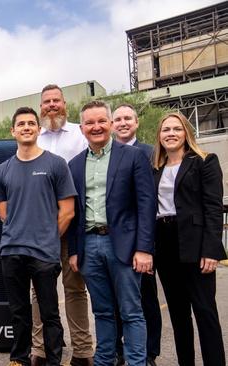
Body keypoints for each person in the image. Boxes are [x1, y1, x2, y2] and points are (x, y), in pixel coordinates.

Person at [67, 100, 156, 366]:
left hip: (125, 246)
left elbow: (146, 204)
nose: (96, 127)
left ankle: (137, 362)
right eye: (89, 123)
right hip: (89, 246)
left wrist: (144, 248)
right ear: (82, 128)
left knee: (131, 312)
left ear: (110, 124)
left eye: (101, 121)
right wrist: (74, 250)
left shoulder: (133, 156)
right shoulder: (74, 165)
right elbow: (75, 212)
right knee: (102, 312)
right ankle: (104, 361)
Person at [0, 107, 76, 366]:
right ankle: (18, 359)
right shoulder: (2, 170)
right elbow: (4, 213)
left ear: (38, 129)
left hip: (44, 254)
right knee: (19, 313)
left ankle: (53, 361)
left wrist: (48, 237)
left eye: (31, 123)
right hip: (12, 252)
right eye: (21, 124)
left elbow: (68, 211)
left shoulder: (55, 164)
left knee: (50, 314)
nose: (26, 127)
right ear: (13, 131)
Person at [152, 112, 226, 366]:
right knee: (178, 314)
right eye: (165, 130)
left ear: (186, 133)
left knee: (205, 312)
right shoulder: (155, 169)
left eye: (176, 129)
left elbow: (214, 209)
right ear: (159, 137)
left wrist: (212, 250)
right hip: (165, 243)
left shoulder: (204, 161)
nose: (170, 133)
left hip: (195, 244)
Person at [33, 84, 93, 366]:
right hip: (40, 229)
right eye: (47, 101)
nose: (52, 105)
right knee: (38, 292)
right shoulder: (33, 137)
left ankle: (82, 351)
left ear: (64, 103)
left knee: (74, 289)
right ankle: (40, 349)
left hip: (73, 225)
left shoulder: (80, 136)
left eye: (56, 100)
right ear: (40, 105)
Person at [112, 104, 161, 366]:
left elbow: (151, 201)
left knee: (147, 299)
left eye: (127, 118)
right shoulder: (106, 154)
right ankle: (120, 351)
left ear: (137, 122)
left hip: (142, 238)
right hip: (116, 240)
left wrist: (148, 246)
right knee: (118, 299)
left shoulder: (150, 154)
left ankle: (149, 352)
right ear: (111, 124)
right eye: (117, 119)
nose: (122, 123)